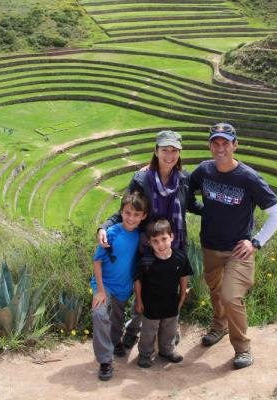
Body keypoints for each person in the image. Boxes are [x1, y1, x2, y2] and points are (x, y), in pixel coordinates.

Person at [189, 122, 277, 370]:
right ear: (210, 145)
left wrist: (256, 242)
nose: (220, 148)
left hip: (238, 251)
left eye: (225, 143)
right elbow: (185, 189)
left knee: (231, 296)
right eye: (215, 142)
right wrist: (152, 168)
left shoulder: (248, 178)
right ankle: (219, 326)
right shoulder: (204, 171)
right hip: (210, 245)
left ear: (235, 145)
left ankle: (243, 348)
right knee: (215, 290)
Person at [97, 130, 202, 349]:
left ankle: (168, 335)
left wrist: (220, 209)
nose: (170, 155)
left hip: (174, 246)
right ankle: (133, 331)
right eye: (165, 150)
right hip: (146, 247)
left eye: (174, 150)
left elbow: (192, 205)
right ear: (156, 151)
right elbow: (126, 210)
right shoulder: (142, 179)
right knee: (143, 293)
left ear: (179, 153)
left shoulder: (185, 179)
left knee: (168, 291)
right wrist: (104, 227)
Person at [91, 191, 148, 381]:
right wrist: (99, 291)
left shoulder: (141, 236)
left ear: (143, 216)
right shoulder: (111, 233)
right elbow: (97, 262)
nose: (131, 218)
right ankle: (105, 361)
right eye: (127, 213)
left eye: (136, 214)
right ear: (121, 213)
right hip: (104, 284)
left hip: (124, 286)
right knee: (99, 315)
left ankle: (115, 342)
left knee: (117, 318)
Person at [134, 218, 192, 368]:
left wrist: (183, 295)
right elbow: (138, 281)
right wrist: (139, 301)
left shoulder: (180, 257)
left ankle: (167, 350)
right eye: (155, 241)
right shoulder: (146, 261)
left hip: (171, 303)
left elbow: (183, 275)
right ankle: (145, 354)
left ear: (171, 236)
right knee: (148, 332)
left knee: (169, 330)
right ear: (149, 242)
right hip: (151, 306)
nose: (160, 244)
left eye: (164, 239)